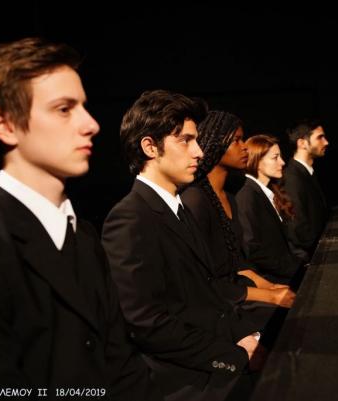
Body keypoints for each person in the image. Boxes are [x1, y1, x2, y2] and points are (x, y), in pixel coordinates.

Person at [0, 37, 161, 400]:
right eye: (64, 109)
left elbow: (123, 369)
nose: (91, 124)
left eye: (83, 106)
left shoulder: (84, 237)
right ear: (4, 125)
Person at [101, 90, 262, 401]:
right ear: (150, 147)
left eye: (196, 140)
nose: (199, 152)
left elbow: (206, 293)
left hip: (210, 353)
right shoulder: (129, 218)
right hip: (181, 380)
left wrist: (245, 336)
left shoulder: (179, 207)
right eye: (186, 140)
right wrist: (233, 357)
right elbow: (147, 325)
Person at [180, 111, 294, 309]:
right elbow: (200, 281)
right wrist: (270, 296)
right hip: (217, 305)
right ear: (215, 144)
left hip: (235, 293)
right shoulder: (195, 200)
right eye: (237, 140)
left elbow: (238, 265)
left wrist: (271, 287)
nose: (245, 147)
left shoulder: (230, 198)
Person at [236, 134, 303, 286]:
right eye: (275, 157)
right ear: (257, 161)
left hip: (285, 274)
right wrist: (296, 270)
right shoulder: (247, 195)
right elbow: (253, 250)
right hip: (273, 282)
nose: (282, 162)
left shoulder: (267, 192)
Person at [283, 119, 329, 261]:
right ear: (302, 143)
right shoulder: (292, 178)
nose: (326, 142)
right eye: (320, 137)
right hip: (309, 256)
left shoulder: (306, 173)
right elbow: (297, 227)